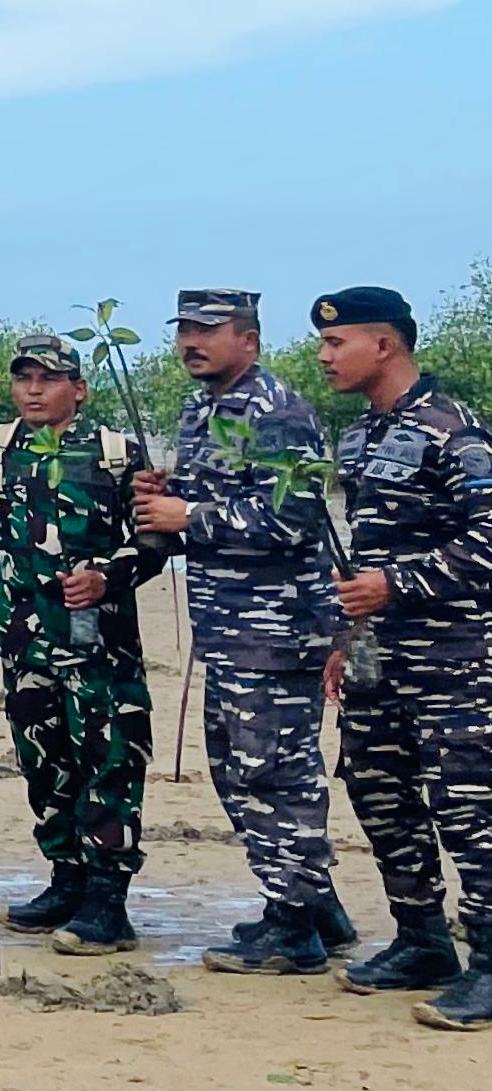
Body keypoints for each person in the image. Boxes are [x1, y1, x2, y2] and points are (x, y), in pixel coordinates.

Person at [133, 289, 353, 975]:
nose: (190, 343)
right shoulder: (202, 411)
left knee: (275, 775)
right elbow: (220, 503)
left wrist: (186, 516)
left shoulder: (275, 412)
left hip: (277, 627)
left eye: (207, 331)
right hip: (226, 626)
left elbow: (291, 520)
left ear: (248, 340)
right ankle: (312, 905)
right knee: (234, 769)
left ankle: (292, 929)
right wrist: (162, 497)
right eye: (184, 331)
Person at [0, 333, 158, 953]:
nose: (33, 389)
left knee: (108, 765)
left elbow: (158, 539)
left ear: (77, 389)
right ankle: (66, 879)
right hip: (25, 647)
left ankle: (108, 899)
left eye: (48, 379)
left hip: (101, 649)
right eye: (24, 378)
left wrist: (109, 575)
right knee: (43, 763)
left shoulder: (115, 453)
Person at [309, 287, 492, 1029]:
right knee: (380, 794)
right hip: (377, 660)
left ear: (383, 345)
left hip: (454, 659)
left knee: (468, 809)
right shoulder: (359, 438)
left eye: (335, 343)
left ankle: (488, 961)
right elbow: (364, 553)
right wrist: (342, 639)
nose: (323, 357)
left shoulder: (456, 433)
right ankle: (420, 939)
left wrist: (398, 585)